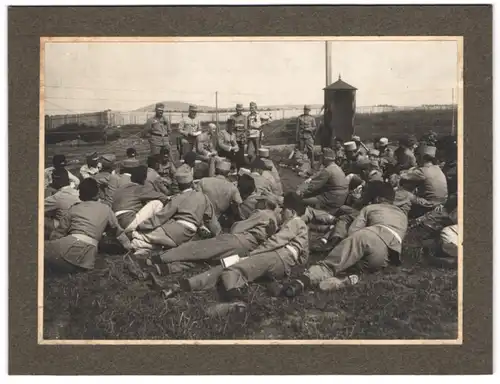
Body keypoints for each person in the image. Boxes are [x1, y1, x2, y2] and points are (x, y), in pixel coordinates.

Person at [284, 182, 407, 296]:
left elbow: (353, 231)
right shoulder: (402, 215)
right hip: (386, 256)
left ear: (377, 199)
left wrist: (343, 245)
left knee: (331, 265)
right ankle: (348, 278)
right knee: (357, 265)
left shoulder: (371, 208)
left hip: (368, 236)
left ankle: (303, 281)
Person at [203, 192, 309, 316]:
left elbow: (275, 242)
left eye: (284, 209)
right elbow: (304, 258)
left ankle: (236, 302)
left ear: (291, 211)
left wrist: (253, 253)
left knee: (232, 269)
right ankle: (268, 284)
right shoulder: (304, 229)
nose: (281, 212)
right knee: (251, 270)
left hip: (276, 256)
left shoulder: (294, 222)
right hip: (283, 265)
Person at [143, 199, 279, 281]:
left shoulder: (262, 214)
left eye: (260, 201)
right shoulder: (275, 223)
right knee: (203, 261)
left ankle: (154, 260)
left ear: (266, 204)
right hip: (245, 251)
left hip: (237, 240)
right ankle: (163, 269)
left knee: (195, 248)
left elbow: (236, 229)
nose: (257, 203)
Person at [129, 171, 221, 253]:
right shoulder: (203, 197)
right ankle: (155, 248)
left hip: (174, 230)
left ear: (178, 185)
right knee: (158, 242)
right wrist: (218, 234)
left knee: (138, 236)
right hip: (190, 234)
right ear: (192, 183)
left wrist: (141, 225)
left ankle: (141, 246)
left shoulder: (178, 198)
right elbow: (211, 219)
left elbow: (161, 216)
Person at [44, 178, 123, 274]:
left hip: (69, 247)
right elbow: (118, 232)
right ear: (97, 194)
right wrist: (128, 247)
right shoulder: (106, 209)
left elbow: (58, 233)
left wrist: (52, 243)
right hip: (88, 259)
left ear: (80, 195)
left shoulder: (74, 208)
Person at [112, 165, 169, 243]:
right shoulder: (140, 188)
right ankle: (153, 231)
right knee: (157, 203)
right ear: (144, 179)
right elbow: (162, 197)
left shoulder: (122, 187)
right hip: (129, 220)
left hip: (117, 223)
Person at [296, 148, 348, 214]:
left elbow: (313, 186)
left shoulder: (327, 171)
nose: (320, 159)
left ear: (325, 158)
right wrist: (311, 178)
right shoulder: (336, 167)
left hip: (332, 200)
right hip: (340, 197)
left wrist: (300, 188)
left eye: (321, 157)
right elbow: (318, 175)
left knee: (300, 200)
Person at [401, 145, 448, 218]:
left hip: (429, 204)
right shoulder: (437, 168)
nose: (415, 159)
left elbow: (402, 177)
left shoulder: (422, 171)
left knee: (403, 193)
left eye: (416, 156)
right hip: (441, 203)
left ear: (421, 157)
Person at [44, 168, 81, 238]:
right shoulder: (77, 192)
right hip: (76, 224)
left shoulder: (57, 197)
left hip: (64, 227)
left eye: (52, 180)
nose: (50, 182)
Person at [227, 103, 248, 168]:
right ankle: (233, 169)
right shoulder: (232, 117)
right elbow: (229, 128)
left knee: (241, 154)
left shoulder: (244, 117)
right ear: (236, 109)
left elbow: (245, 128)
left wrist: (244, 137)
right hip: (233, 138)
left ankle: (240, 169)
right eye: (238, 110)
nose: (239, 111)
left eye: (241, 110)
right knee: (233, 153)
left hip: (241, 138)